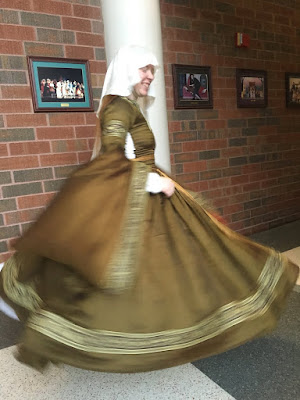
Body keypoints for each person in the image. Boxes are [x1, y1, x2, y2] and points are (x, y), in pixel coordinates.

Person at [0, 45, 298, 373]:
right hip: (141, 192)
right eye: (145, 69)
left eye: (153, 70)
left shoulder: (126, 105)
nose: (150, 76)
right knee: (141, 271)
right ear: (129, 69)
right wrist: (154, 183)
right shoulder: (119, 108)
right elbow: (112, 159)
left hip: (146, 187)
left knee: (180, 261)